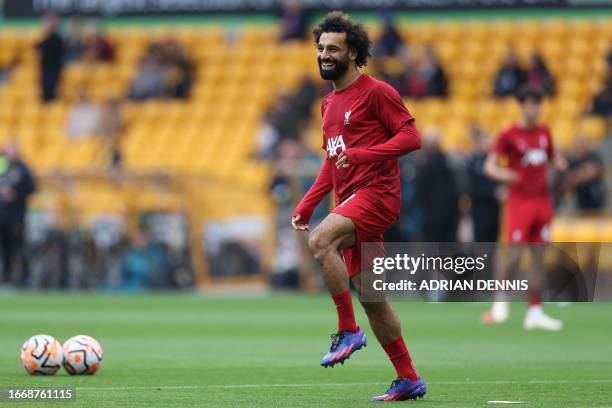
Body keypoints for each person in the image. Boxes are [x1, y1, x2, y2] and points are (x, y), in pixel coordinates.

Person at [291, 12, 425, 402]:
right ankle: (409, 378)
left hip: (378, 195)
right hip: (349, 200)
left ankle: (347, 329)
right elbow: (333, 162)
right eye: (320, 48)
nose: (324, 55)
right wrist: (307, 202)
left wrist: (364, 154)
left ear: (353, 52)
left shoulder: (377, 92)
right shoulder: (328, 104)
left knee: (320, 241)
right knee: (375, 300)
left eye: (333, 49)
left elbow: (412, 137)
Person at [481, 86, 567, 330]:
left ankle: (535, 310)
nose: (535, 108)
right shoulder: (509, 134)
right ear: (522, 106)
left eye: (538, 104)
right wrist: (506, 175)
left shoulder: (544, 132)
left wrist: (560, 163)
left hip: (542, 201)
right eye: (531, 103)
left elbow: (553, 159)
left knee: (539, 255)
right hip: (520, 201)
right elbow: (490, 166)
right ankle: (499, 300)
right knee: (516, 253)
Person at [0, 141, 36, 286]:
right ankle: (5, 278)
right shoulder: (1, 165)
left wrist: (15, 193)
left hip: (16, 216)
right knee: (4, 250)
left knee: (17, 248)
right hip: (1, 216)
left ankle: (22, 279)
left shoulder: (22, 168)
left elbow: (31, 188)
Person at [413, 128, 459, 242]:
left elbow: (420, 190)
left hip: (431, 216)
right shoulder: (447, 161)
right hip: (448, 215)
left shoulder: (425, 164)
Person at [466, 127, 502, 242]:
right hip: (480, 210)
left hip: (494, 209)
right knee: (480, 242)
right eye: (485, 140)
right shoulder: (473, 162)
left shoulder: (495, 161)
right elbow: (472, 188)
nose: (489, 143)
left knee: (493, 240)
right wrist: (493, 193)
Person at [559, 137, 605, 212]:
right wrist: (584, 172)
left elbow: (592, 172)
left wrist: (576, 176)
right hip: (581, 200)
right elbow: (567, 180)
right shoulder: (574, 162)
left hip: (595, 199)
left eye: (581, 146)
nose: (579, 149)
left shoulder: (594, 157)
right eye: (577, 147)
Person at [36, 14, 64, 102]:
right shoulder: (44, 38)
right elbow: (37, 47)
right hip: (45, 68)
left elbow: (54, 51)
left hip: (54, 69)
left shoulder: (57, 39)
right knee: (45, 90)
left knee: (52, 90)